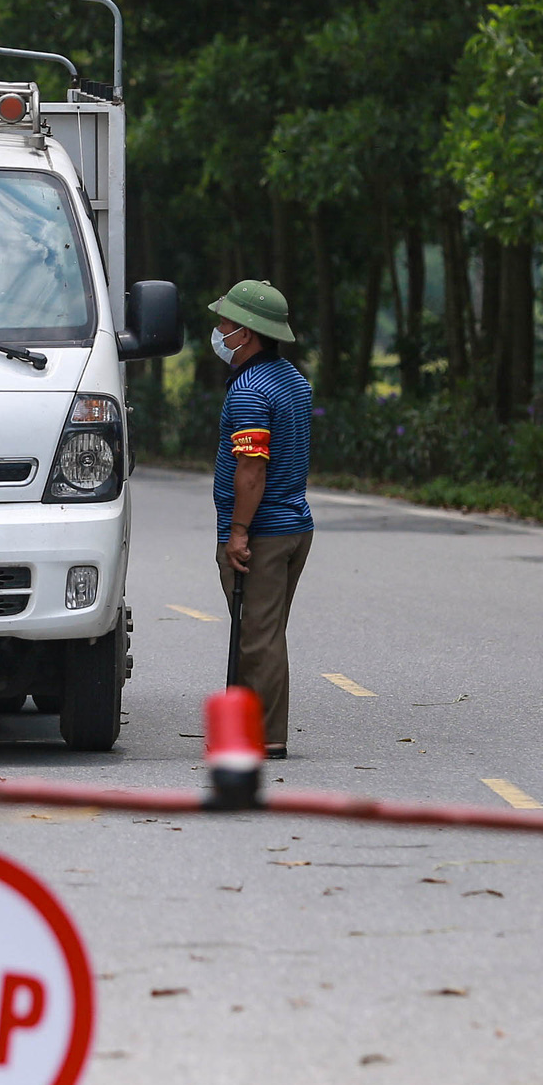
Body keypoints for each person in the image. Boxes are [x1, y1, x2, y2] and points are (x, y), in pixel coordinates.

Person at [206, 279, 314, 755]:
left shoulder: (250, 392)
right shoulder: (292, 379)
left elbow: (251, 471)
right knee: (264, 633)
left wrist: (238, 531)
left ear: (246, 333)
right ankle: (251, 729)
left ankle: (266, 738)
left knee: (256, 640)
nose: (219, 331)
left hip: (264, 533)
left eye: (225, 324)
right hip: (294, 525)